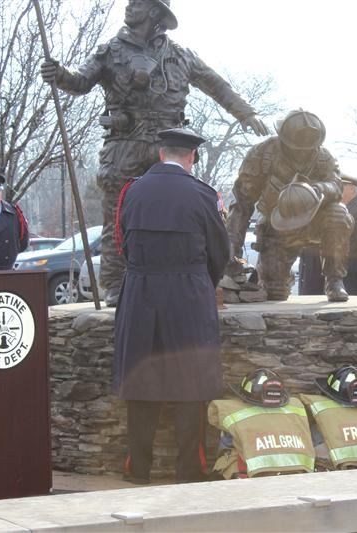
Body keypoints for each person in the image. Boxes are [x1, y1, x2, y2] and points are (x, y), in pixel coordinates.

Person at [40, 0, 267, 307]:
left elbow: (217, 85)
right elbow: (80, 81)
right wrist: (60, 75)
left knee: (185, 214)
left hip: (171, 147)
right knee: (116, 218)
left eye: (138, 2)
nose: (130, 5)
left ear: (154, 12)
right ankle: (116, 285)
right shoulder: (110, 51)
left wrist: (246, 113)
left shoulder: (180, 56)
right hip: (124, 145)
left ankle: (189, 279)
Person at [112, 128, 230, 484]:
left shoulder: (131, 192)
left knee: (140, 382)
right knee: (190, 386)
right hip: (189, 298)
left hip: (140, 293)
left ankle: (138, 470)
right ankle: (189, 470)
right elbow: (220, 253)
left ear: (160, 153)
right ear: (191, 156)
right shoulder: (203, 195)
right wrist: (196, 280)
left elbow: (122, 245)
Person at [225, 110, 351, 302]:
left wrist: (318, 189)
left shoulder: (324, 157)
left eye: (307, 149)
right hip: (277, 225)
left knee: (338, 214)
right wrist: (232, 257)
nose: (302, 153)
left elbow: (336, 186)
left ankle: (335, 280)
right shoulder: (262, 155)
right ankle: (274, 279)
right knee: (275, 295)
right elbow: (242, 205)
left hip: (314, 221)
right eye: (296, 148)